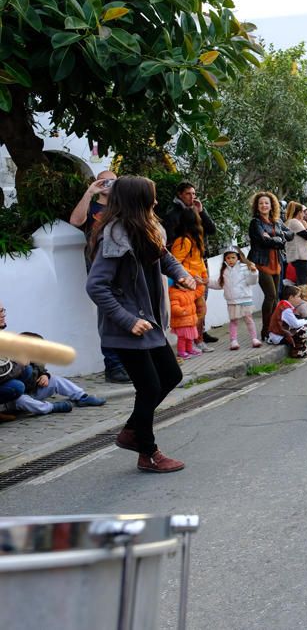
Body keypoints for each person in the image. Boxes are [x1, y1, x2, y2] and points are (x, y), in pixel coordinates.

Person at [86, 175, 197, 473]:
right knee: (148, 386)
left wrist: (182, 275)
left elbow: (165, 257)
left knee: (170, 375)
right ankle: (147, 452)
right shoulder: (115, 236)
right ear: (138, 201)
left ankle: (131, 431)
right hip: (126, 328)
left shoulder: (146, 229)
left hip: (148, 322)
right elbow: (96, 286)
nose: (157, 202)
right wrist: (127, 320)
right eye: (152, 197)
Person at [69, 170, 130, 384]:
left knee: (128, 315)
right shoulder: (93, 207)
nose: (108, 185)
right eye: (104, 180)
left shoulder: (123, 208)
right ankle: (113, 366)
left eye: (113, 181)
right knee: (108, 317)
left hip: (124, 268)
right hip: (100, 269)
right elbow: (76, 221)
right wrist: (90, 192)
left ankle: (128, 364)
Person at [248, 191, 293, 339]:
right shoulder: (255, 223)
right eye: (261, 203)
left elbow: (290, 234)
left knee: (275, 298)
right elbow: (262, 241)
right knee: (271, 295)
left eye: (266, 203)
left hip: (276, 262)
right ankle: (265, 330)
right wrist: (279, 239)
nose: (264, 205)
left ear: (271, 205)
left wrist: (276, 237)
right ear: (257, 206)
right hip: (261, 262)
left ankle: (275, 328)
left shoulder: (277, 221)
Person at [169, 208, 212, 353]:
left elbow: (199, 260)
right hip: (187, 286)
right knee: (197, 313)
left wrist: (204, 276)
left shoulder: (194, 239)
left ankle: (195, 341)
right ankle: (193, 342)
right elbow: (175, 263)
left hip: (196, 284)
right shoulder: (183, 241)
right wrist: (191, 277)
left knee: (199, 312)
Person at [208, 249, 261, 350]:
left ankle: (254, 339)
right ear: (225, 259)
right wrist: (207, 282)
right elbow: (220, 284)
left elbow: (251, 282)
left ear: (238, 257)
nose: (231, 260)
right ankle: (233, 341)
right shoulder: (224, 270)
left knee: (248, 319)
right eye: (228, 258)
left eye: (233, 257)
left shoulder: (245, 268)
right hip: (232, 301)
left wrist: (254, 273)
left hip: (245, 299)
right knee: (233, 321)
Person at [267, 285, 307, 357]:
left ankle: (303, 349)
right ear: (291, 297)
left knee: (305, 326)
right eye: (298, 297)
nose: (300, 299)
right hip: (279, 336)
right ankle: (297, 352)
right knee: (306, 328)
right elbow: (295, 324)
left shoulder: (283, 304)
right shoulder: (286, 309)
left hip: (277, 334)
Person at [283, 201, 307, 287]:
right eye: (303, 212)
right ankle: (303, 299)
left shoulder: (291, 222)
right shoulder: (294, 222)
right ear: (299, 212)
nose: (304, 215)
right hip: (301, 257)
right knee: (303, 282)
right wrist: (306, 225)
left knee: (302, 280)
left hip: (300, 257)